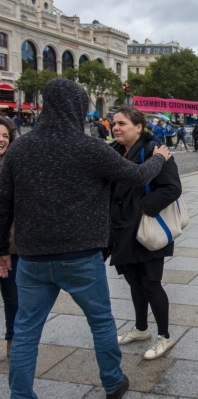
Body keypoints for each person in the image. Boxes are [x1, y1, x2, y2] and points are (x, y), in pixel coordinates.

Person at [0, 78, 172, 399]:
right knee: (101, 322)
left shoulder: (20, 147)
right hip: (80, 255)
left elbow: (4, 204)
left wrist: (2, 250)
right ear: (79, 108)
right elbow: (136, 176)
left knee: (25, 331)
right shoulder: (89, 147)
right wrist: (159, 157)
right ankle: (112, 382)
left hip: (33, 257)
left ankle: (20, 394)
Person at [109, 106, 182, 360]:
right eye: (114, 123)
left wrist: (141, 209)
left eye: (122, 123)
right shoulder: (114, 151)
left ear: (138, 127)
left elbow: (172, 188)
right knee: (133, 280)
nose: (116, 127)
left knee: (151, 283)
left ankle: (165, 336)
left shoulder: (154, 151)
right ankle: (141, 328)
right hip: (121, 229)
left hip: (145, 228)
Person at [0, 117, 18, 359]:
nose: (1, 140)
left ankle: (13, 342)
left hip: (9, 245)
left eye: (5, 136)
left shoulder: (13, 166)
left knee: (12, 297)